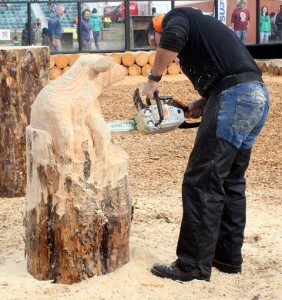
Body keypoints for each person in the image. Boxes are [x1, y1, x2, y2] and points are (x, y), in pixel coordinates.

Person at [143, 8, 269, 282]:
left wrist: (154, 78)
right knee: (231, 181)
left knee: (202, 180)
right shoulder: (202, 30)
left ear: (157, 32)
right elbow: (230, 74)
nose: (168, 54)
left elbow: (172, 36)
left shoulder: (176, 18)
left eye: (157, 44)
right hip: (255, 95)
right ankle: (227, 256)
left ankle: (192, 265)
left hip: (235, 97)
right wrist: (203, 103)